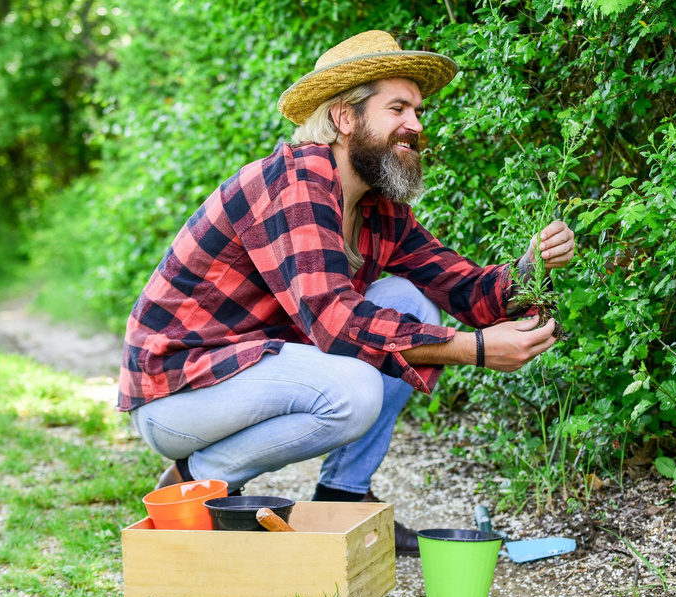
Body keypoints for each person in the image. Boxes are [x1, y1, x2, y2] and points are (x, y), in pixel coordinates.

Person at [117, 30, 575, 556]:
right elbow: (336, 323)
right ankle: (195, 477)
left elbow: (465, 290)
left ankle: (344, 495)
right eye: (398, 108)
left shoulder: (380, 209)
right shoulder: (296, 181)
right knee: (355, 390)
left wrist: (531, 268)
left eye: (419, 111)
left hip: (249, 374)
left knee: (411, 302)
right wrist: (473, 349)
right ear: (345, 118)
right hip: (177, 391)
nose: (417, 126)